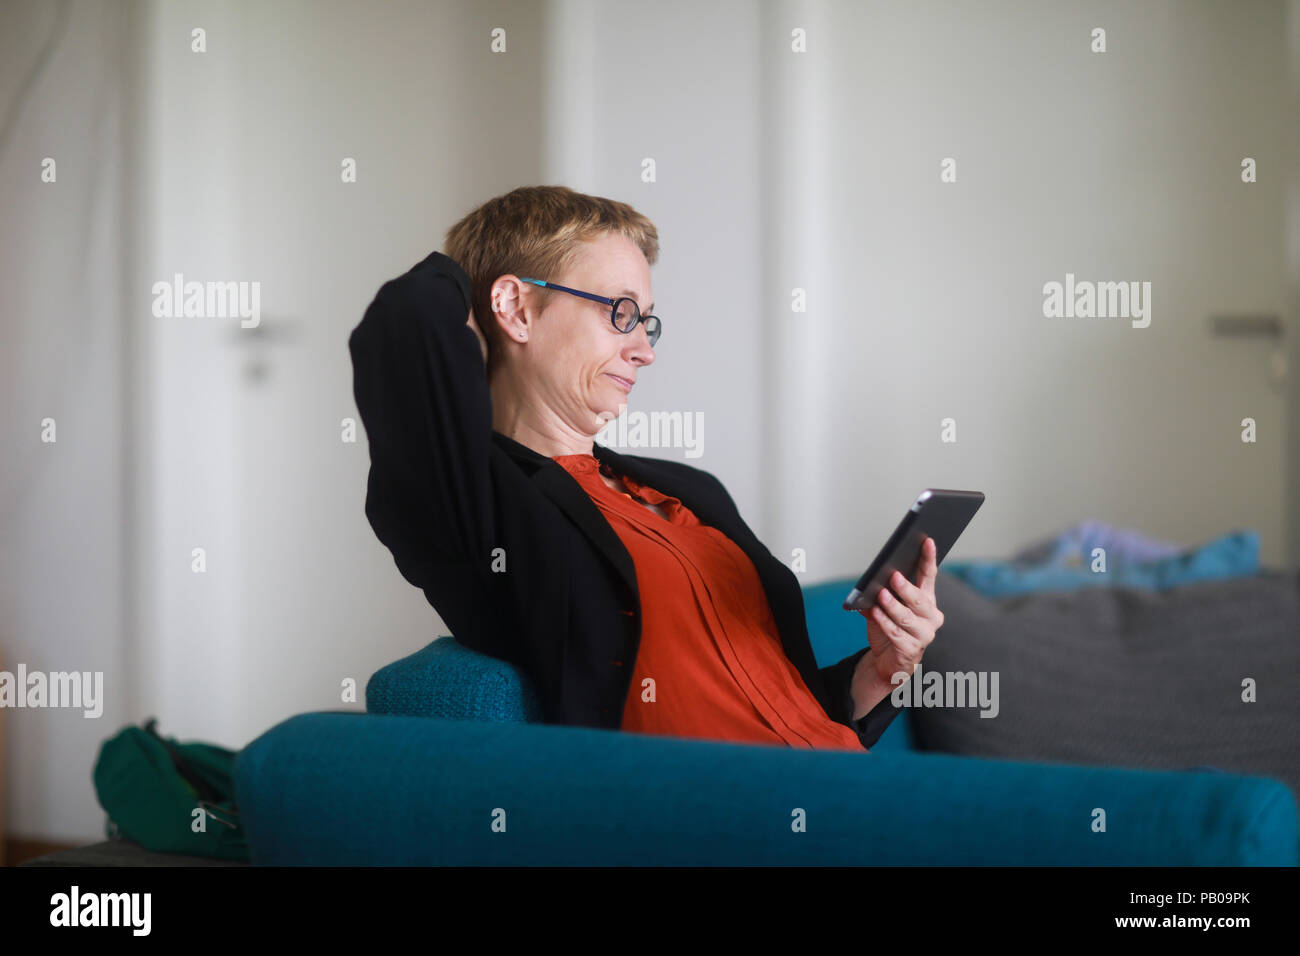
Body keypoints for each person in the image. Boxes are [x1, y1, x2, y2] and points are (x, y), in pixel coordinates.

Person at [348, 184, 944, 751]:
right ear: (516, 307)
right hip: (702, 812)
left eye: (646, 320)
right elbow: (404, 321)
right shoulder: (478, 501)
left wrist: (884, 668)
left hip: (830, 787)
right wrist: (474, 280)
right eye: (621, 312)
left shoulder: (689, 489)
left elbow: (788, 706)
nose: (645, 349)